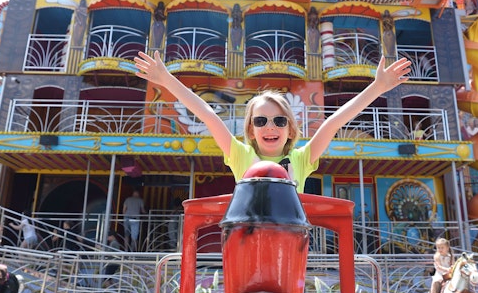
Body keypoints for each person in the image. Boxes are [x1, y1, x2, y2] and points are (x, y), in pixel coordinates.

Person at [134, 50, 411, 192]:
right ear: (251, 130)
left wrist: (376, 88)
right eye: (261, 120)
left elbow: (334, 122)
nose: (270, 127)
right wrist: (167, 80)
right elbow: (207, 113)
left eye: (279, 121)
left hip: (289, 242)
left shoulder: (302, 159)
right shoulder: (239, 154)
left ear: (290, 129)